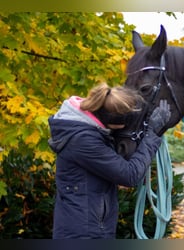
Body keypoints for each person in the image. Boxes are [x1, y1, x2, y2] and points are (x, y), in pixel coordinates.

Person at [48, 82, 171, 239]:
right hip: (83, 235)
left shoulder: (87, 127)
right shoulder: (83, 140)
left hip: (89, 229)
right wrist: (152, 134)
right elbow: (129, 175)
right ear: (114, 123)